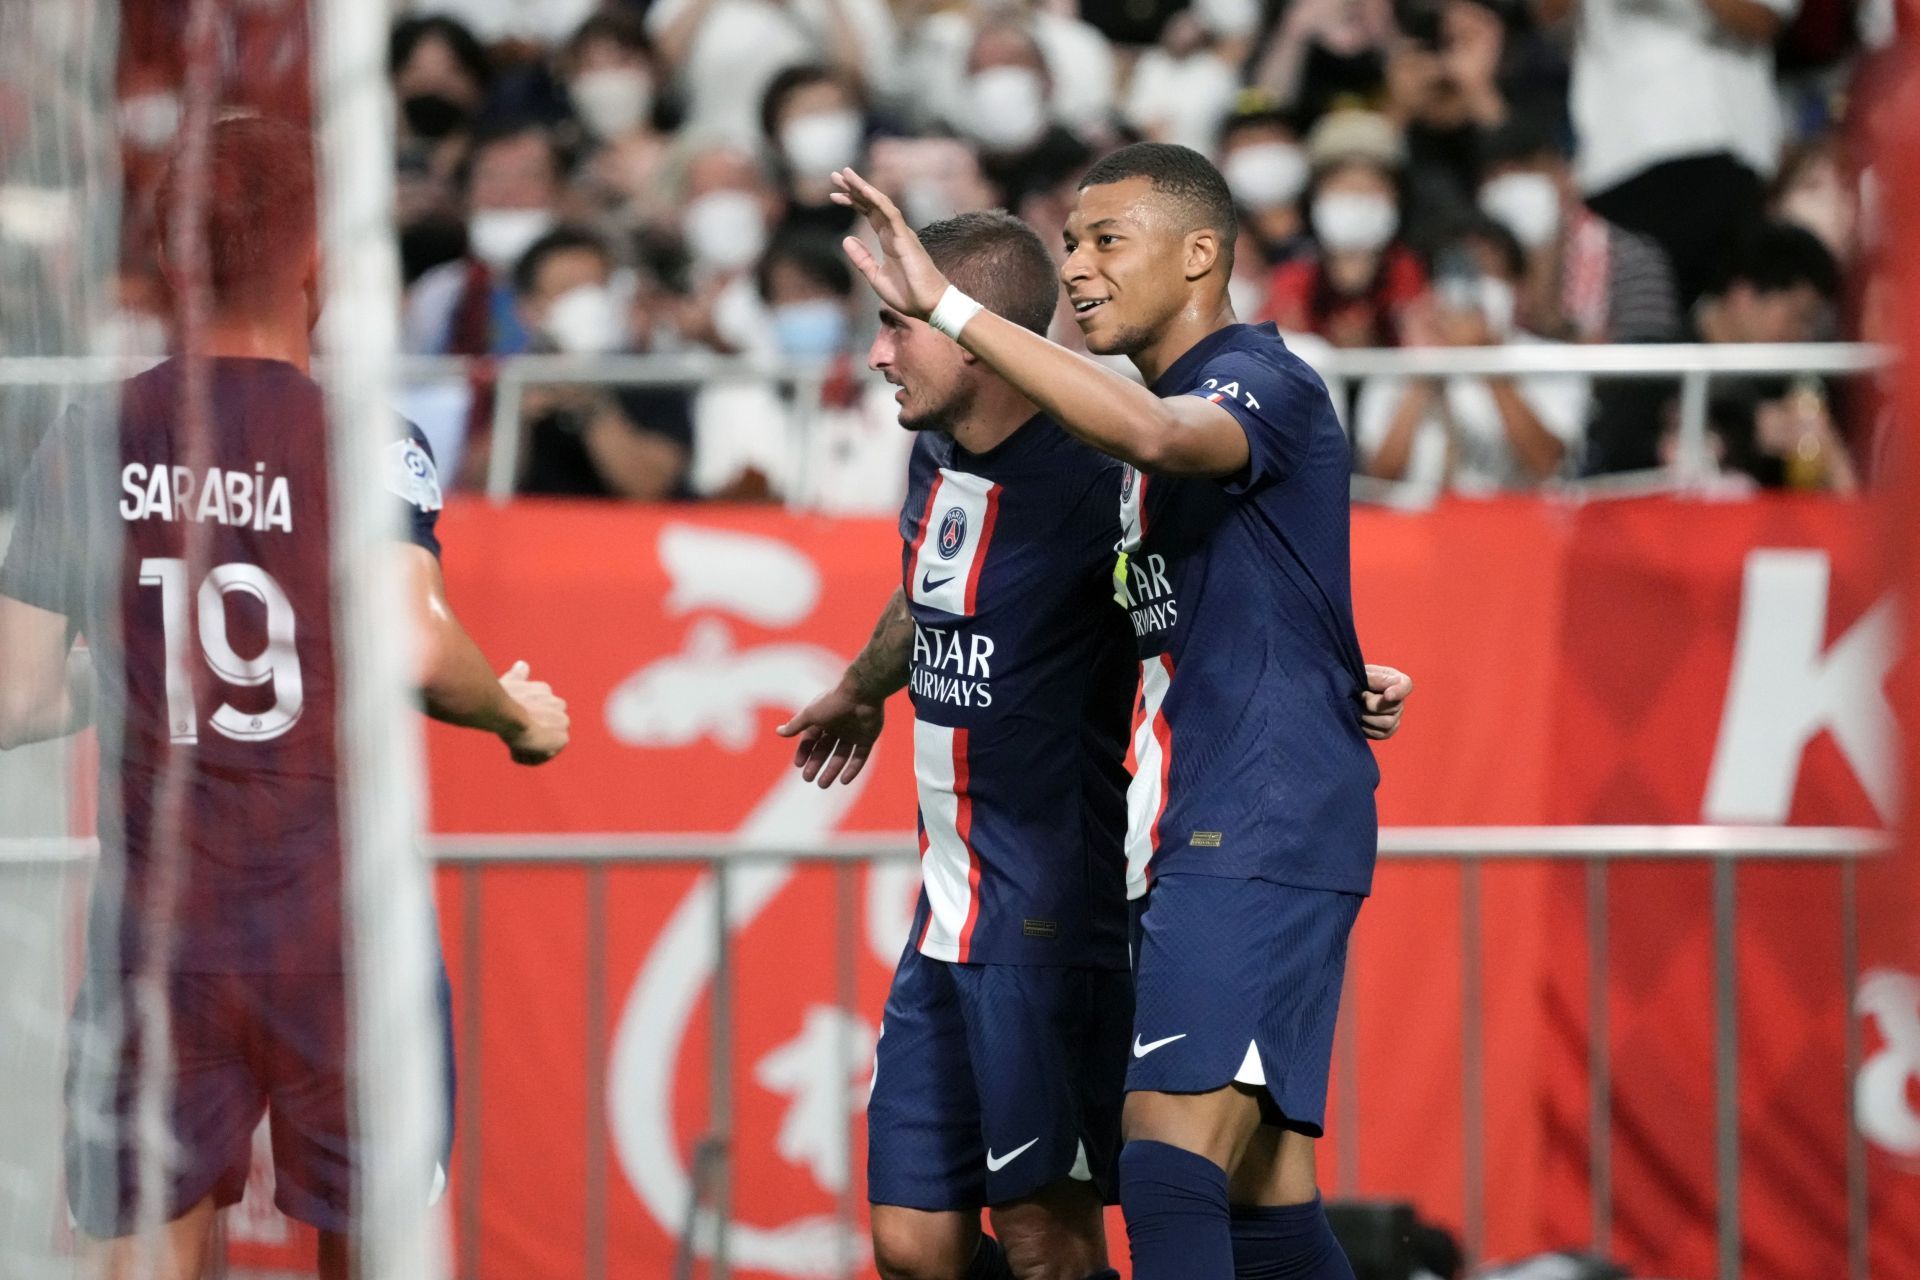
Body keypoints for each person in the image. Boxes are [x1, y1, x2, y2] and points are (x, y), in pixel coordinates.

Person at [780, 207, 1413, 1280]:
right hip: (946, 909)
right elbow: (925, 583)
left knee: (1056, 1235)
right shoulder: (936, 450)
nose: (879, 352)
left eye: (902, 324)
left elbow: (1209, 602)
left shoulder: (1102, 469)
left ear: (976, 334)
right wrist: (861, 683)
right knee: (912, 1244)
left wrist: (1334, 680)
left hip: (1047, 911)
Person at [0, 116, 570, 1280]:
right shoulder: (365, 438)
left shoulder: (90, 432)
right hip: (338, 927)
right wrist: (515, 714)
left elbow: (12, 695)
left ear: (169, 259)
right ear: (321, 261)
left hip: (162, 932)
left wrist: (138, 676)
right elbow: (413, 643)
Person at [1585, 221, 1851, 484]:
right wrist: (1746, 432)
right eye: (1797, 316)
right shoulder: (1653, 363)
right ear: (1743, 295)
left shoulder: (1792, 388)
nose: (1803, 334)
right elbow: (1612, 455)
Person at [1355, 219, 1590, 494]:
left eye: (1487, 273)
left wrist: (1486, 361)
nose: (1474, 290)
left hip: (1509, 524)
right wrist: (1425, 370)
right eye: (1462, 275)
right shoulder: (1397, 364)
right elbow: (1380, 477)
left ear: (1517, 289)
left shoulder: (1553, 360)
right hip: (1416, 527)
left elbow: (1546, 465)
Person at [510, 226, 693, 500]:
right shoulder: (509, 381)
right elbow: (474, 485)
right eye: (568, 289)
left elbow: (649, 488)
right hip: (535, 533)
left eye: (597, 287)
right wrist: (516, 418)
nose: (587, 302)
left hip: (623, 536)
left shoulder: (652, 378)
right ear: (530, 309)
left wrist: (591, 404)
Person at [1473, 120, 1681, 345]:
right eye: (1498, 177)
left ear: (1565, 175)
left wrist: (1550, 306)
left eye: (1528, 170)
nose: (1515, 190)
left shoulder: (1633, 257)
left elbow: (1642, 365)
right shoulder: (1466, 262)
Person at [1260, 109, 1429, 349]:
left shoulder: (1408, 272)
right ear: (1315, 197)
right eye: (1343, 188)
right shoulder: (1292, 278)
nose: (1356, 202)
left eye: (1369, 189)